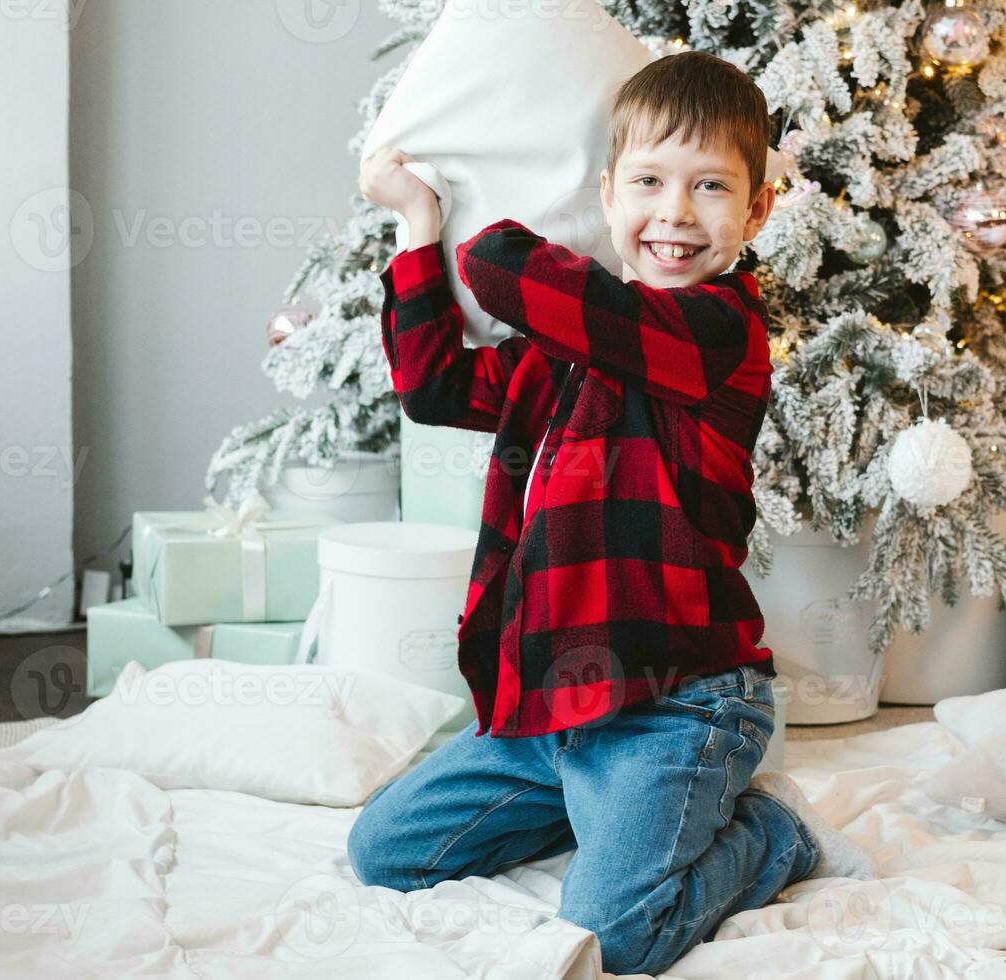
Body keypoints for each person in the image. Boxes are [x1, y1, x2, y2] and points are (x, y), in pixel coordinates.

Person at [350, 50, 875, 976]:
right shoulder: (560, 352)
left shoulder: (716, 332)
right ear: (607, 193)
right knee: (388, 853)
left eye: (710, 186)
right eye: (648, 182)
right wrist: (417, 218)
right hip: (552, 704)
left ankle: (776, 836)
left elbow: (508, 267)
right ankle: (590, 805)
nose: (674, 214)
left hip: (678, 703)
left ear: (755, 212)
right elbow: (432, 387)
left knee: (617, 933)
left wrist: (499, 205)